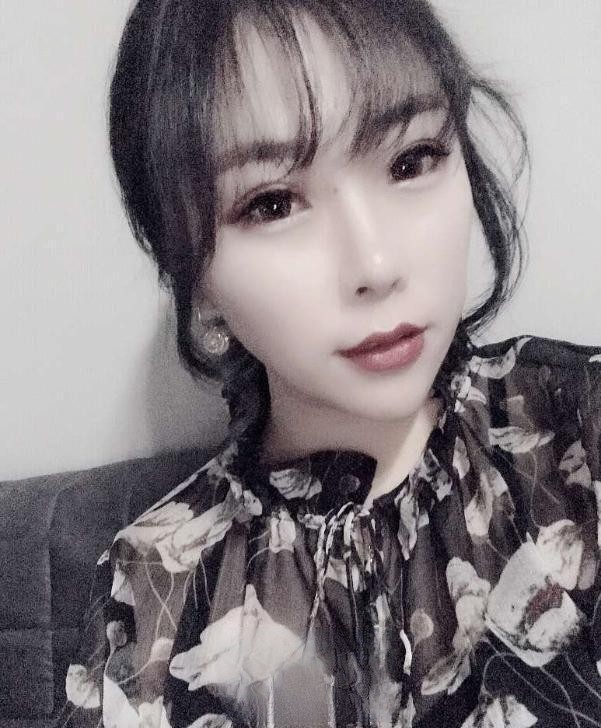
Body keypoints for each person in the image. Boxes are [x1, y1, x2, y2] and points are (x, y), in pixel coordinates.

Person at [60, 1, 601, 726]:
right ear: (193, 276)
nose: (375, 265)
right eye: (272, 204)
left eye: (412, 160)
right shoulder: (154, 594)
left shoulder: (579, 429)